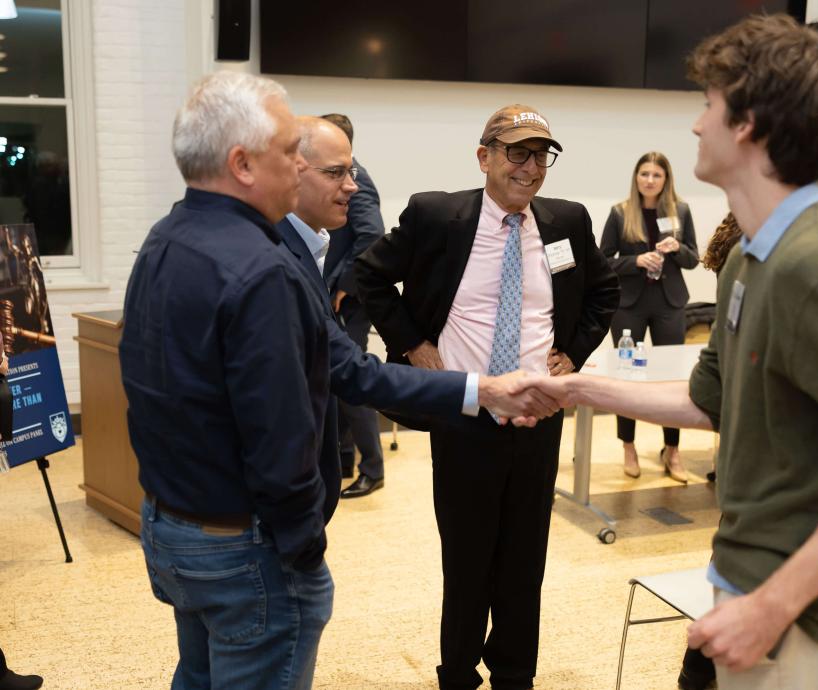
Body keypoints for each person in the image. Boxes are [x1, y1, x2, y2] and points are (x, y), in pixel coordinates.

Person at [530, 14, 818, 690]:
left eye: (709, 105)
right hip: (755, 590)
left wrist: (773, 606)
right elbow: (706, 398)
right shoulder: (753, 255)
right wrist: (575, 389)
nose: (696, 125)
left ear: (747, 124)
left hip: (809, 624)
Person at [120, 73, 553, 690]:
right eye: (288, 154)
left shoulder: (168, 236)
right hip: (246, 548)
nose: (300, 168)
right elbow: (282, 431)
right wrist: (302, 548)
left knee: (198, 675)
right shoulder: (261, 269)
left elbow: (337, 370)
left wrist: (477, 390)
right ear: (243, 164)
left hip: (174, 527)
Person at [356, 104, 619, 690]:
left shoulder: (567, 221)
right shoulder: (436, 217)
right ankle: (457, 674)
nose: (530, 168)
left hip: (536, 418)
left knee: (525, 561)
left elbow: (604, 291)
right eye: (516, 153)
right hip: (465, 413)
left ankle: (514, 676)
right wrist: (414, 345)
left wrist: (572, 353)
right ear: (485, 157)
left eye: (541, 155)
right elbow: (369, 275)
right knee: (468, 557)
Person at [599, 151, 698, 482]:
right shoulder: (620, 212)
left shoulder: (680, 210)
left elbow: (693, 259)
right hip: (629, 304)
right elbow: (603, 261)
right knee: (628, 377)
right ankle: (628, 445)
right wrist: (636, 261)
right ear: (636, 177)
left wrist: (677, 249)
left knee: (673, 380)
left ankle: (672, 449)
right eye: (644, 174)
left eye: (657, 175)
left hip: (669, 302)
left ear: (666, 179)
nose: (650, 180)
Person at [318, 113, 388, 499]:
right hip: (333, 291)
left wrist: (344, 286)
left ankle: (372, 469)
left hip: (349, 297)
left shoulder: (357, 180)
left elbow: (372, 237)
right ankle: (344, 457)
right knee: (334, 382)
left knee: (352, 380)